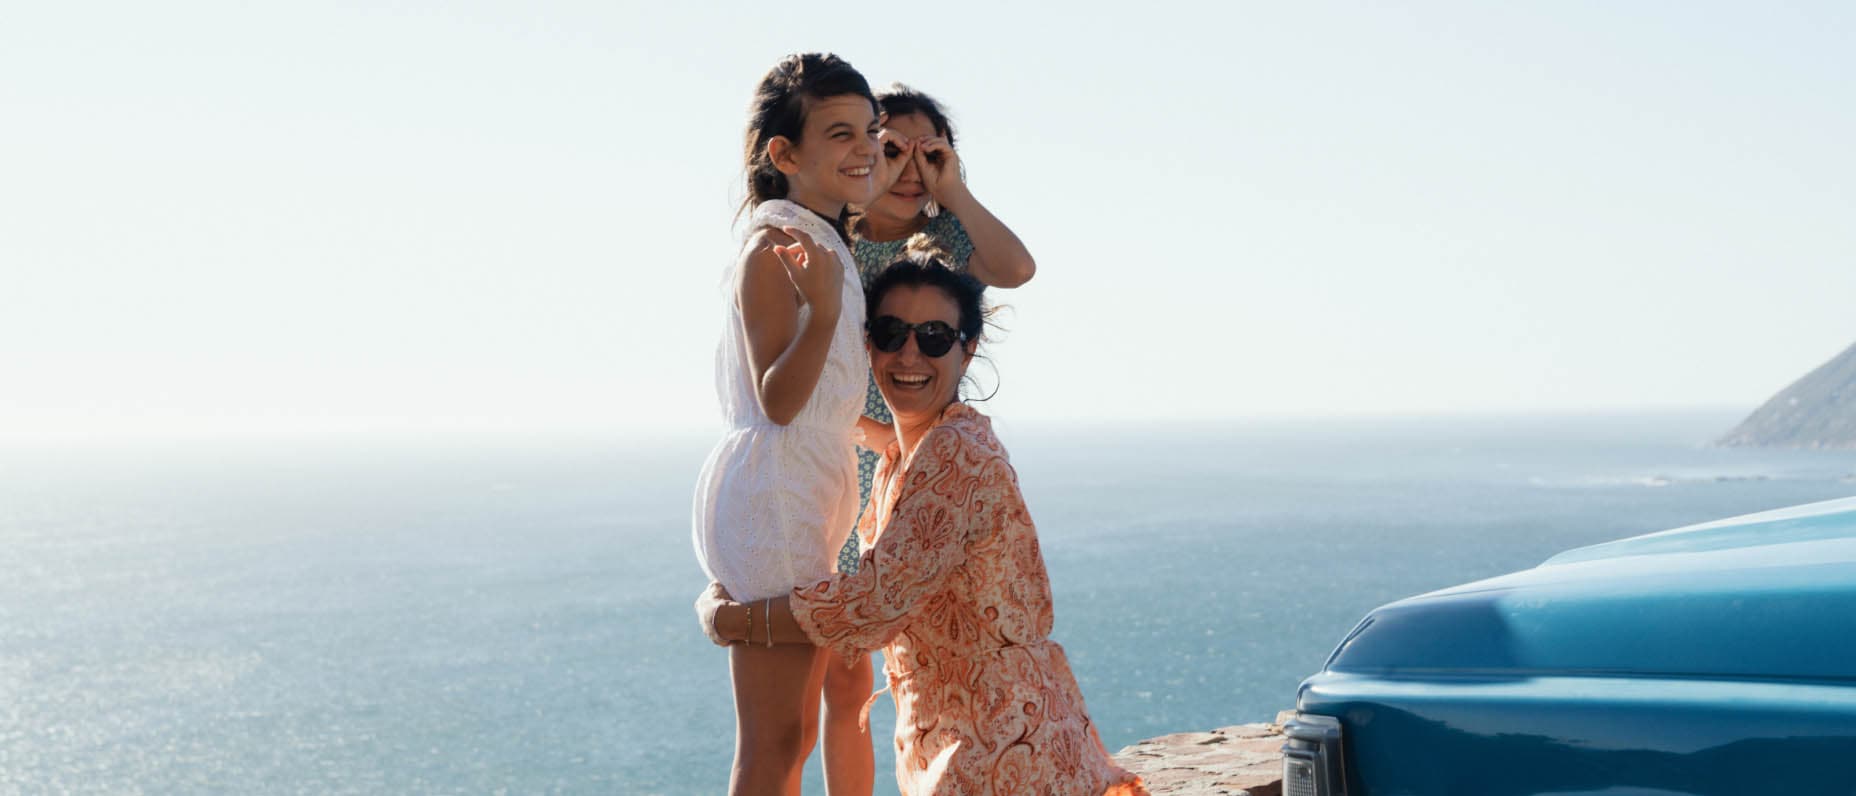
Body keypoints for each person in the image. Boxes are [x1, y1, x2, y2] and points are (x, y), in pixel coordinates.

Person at [699, 255, 1146, 796]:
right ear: (869, 346)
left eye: (935, 336)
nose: (910, 353)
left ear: (968, 348)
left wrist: (736, 620)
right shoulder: (906, 457)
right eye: (891, 332)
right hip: (965, 737)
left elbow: (874, 603)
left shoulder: (957, 455)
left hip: (1000, 751)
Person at [825, 86, 1041, 785]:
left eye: (930, 153)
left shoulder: (945, 240)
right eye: (892, 150)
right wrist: (871, 437)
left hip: (927, 471)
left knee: (928, 657)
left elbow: (1017, 268)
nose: (912, 168)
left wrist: (957, 190)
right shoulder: (835, 244)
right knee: (847, 684)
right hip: (851, 471)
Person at [690, 52, 890, 796]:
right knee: (775, 743)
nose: (866, 146)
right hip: (775, 497)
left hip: (805, 490)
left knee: (796, 734)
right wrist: (831, 311)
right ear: (784, 154)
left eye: (869, 128)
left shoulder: (823, 238)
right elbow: (779, 401)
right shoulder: (775, 248)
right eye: (840, 133)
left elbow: (829, 402)